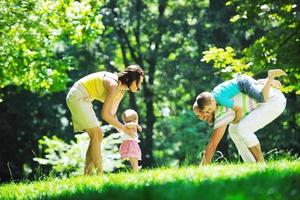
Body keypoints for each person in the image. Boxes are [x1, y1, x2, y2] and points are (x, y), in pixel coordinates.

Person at [66, 65, 144, 175]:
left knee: (96, 136)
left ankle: (87, 175)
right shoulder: (113, 85)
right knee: (97, 135)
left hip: (85, 100)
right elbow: (105, 114)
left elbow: (112, 114)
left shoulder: (121, 91)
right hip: (77, 97)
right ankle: (100, 175)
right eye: (138, 82)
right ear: (131, 79)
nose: (139, 87)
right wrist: (124, 129)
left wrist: (123, 133)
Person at [193, 80, 286, 165]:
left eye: (201, 112)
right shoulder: (215, 98)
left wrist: (202, 166)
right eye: (198, 116)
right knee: (233, 130)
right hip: (269, 98)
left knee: (242, 128)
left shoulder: (221, 110)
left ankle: (260, 162)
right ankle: (252, 164)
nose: (202, 117)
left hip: (273, 101)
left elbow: (212, 144)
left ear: (207, 106)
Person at [196, 69, 286, 123]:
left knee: (262, 98)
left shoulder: (221, 99)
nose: (210, 111)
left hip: (243, 84)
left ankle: (270, 77)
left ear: (212, 101)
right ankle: (264, 81)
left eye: (209, 109)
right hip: (242, 79)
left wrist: (236, 121)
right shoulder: (214, 92)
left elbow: (239, 109)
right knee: (254, 88)